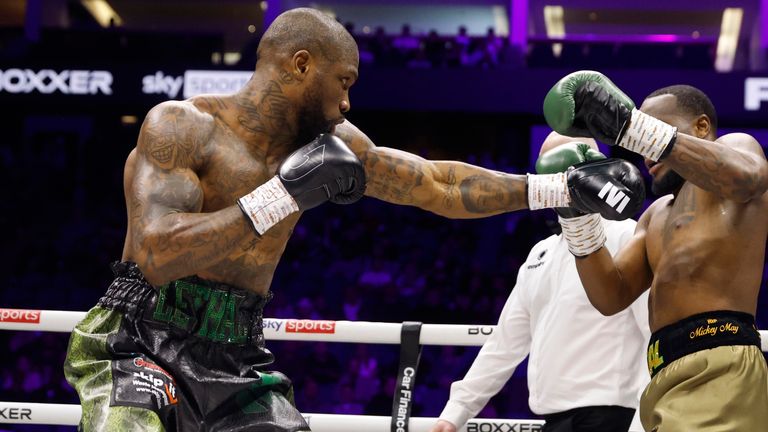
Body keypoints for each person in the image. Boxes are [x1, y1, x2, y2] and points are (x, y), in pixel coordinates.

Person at [63, 10, 644, 432]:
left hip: (235, 350)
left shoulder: (333, 143)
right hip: (138, 338)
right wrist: (281, 196)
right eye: (343, 83)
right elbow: (156, 256)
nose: (347, 104)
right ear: (300, 64)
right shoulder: (182, 126)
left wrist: (559, 189)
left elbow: (435, 184)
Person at [543, 71, 768, 430]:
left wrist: (631, 125)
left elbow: (748, 179)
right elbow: (609, 295)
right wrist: (576, 215)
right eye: (637, 137)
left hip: (719, 365)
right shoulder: (654, 215)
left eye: (652, 130)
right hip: (663, 375)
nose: (643, 150)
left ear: (702, 126)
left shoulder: (737, 150)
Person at [430, 133, 650, 432]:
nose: (554, 179)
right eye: (546, 170)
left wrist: (641, 424)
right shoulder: (541, 252)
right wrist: (455, 413)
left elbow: (653, 337)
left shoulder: (628, 236)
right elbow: (505, 343)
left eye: (561, 167)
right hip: (555, 420)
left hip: (611, 417)